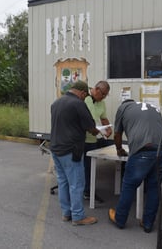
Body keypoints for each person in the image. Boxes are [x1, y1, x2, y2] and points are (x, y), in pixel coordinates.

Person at [108, 99, 162, 233]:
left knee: (129, 185)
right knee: (155, 187)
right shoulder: (151, 107)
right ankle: (148, 223)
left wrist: (119, 149)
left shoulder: (123, 108)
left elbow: (117, 134)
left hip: (144, 148)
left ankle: (120, 219)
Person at [50, 80, 100, 226]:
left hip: (56, 148)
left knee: (63, 182)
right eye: (85, 96)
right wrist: (98, 131)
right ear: (83, 93)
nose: (85, 98)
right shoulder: (78, 104)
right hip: (71, 150)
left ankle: (66, 213)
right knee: (77, 184)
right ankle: (78, 216)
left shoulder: (56, 103)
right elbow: (90, 126)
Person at [83, 80, 113, 203]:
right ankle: (87, 191)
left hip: (96, 137)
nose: (104, 97)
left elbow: (103, 118)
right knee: (87, 165)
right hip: (84, 138)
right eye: (103, 94)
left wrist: (108, 128)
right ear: (96, 89)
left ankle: (88, 189)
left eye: (106, 95)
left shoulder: (102, 103)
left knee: (112, 146)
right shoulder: (85, 99)